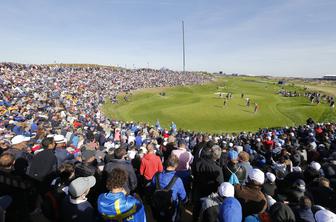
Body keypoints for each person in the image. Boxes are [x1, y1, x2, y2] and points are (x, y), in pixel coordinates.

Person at [151, 154, 187, 222]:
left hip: (157, 206)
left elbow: (152, 186)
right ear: (176, 165)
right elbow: (183, 196)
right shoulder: (177, 180)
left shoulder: (156, 175)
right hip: (170, 208)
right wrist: (185, 200)